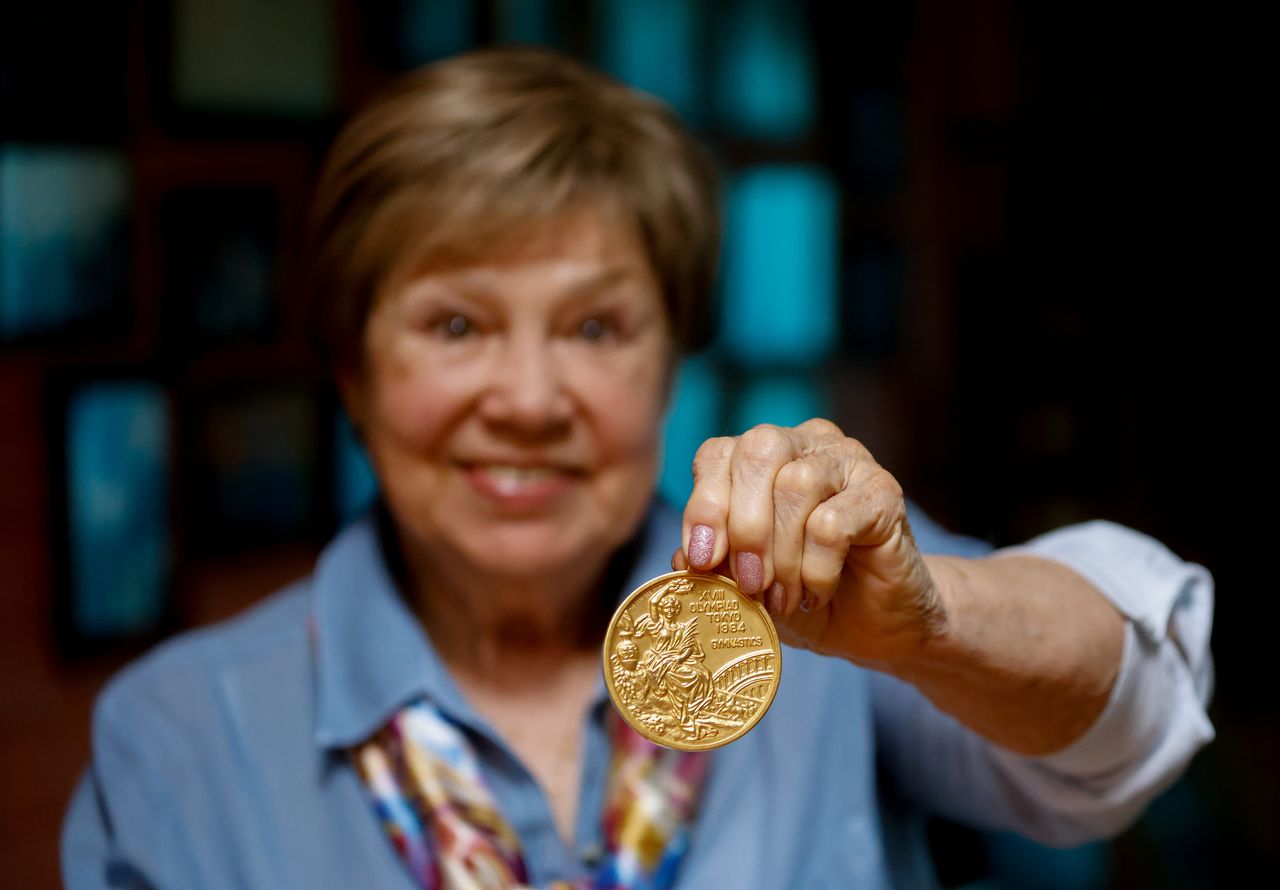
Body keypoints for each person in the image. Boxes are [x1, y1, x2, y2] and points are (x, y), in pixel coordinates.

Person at [61, 47, 1214, 889]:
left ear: (670, 367)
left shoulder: (831, 630)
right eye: (455, 325)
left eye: (596, 328)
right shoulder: (173, 735)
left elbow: (1133, 722)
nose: (524, 400)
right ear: (351, 371)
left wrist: (930, 621)